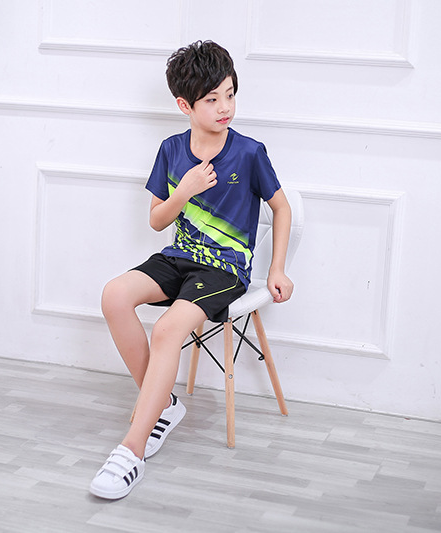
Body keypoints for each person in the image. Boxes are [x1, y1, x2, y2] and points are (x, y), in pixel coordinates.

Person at [89, 40, 294, 500]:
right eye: (212, 99)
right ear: (185, 105)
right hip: (179, 257)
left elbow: (281, 208)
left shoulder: (249, 152)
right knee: (114, 295)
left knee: (167, 330)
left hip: (225, 269)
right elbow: (157, 220)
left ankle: (132, 449)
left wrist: (277, 269)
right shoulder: (171, 150)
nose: (225, 108)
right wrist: (184, 190)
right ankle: (163, 404)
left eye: (230, 94)